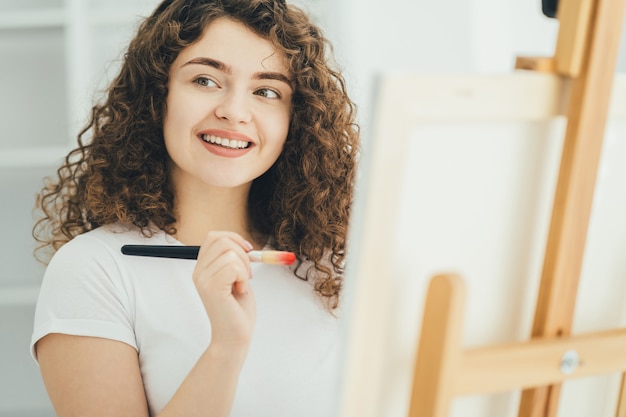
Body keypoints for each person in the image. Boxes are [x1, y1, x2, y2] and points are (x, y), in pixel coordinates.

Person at [30, 0, 359, 416]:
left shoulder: (331, 264)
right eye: (205, 80)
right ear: (157, 96)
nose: (234, 112)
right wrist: (226, 347)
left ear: (296, 120)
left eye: (266, 91)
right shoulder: (95, 269)